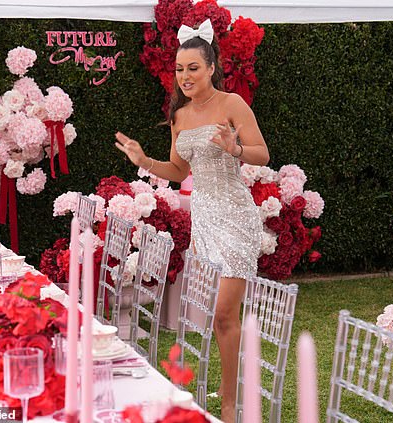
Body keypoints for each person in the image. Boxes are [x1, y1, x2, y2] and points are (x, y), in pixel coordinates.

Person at [114, 19, 269, 423]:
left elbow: (262, 154)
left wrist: (236, 148)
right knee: (219, 317)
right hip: (204, 220)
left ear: (211, 67)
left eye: (193, 68)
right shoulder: (180, 115)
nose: (184, 76)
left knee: (222, 314)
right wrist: (145, 161)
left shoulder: (233, 103)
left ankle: (232, 404)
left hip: (235, 218)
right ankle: (227, 387)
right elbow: (180, 171)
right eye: (180, 69)